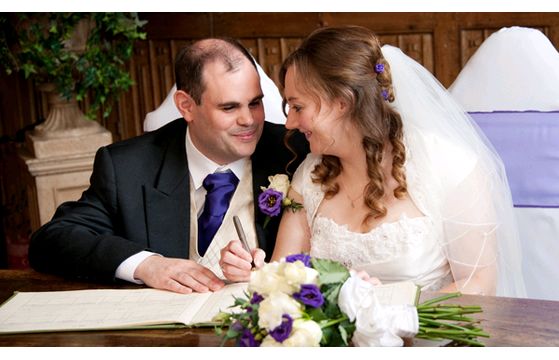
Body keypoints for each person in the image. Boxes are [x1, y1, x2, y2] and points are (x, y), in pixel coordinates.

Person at [219, 26, 526, 298]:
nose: (289, 123)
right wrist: (254, 272)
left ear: (342, 101)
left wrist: (384, 312)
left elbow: (478, 285)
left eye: (298, 106)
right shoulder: (310, 176)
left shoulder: (449, 166)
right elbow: (283, 274)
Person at [28, 37, 308, 294]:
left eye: (255, 103)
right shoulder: (128, 166)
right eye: (229, 108)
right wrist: (147, 265)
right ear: (186, 105)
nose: (249, 120)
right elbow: (52, 240)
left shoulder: (294, 154)